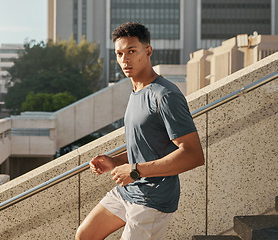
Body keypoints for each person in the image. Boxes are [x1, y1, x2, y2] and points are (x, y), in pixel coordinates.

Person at [75, 22, 205, 240]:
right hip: (129, 190)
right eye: (119, 53)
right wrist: (115, 162)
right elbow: (149, 144)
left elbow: (193, 155)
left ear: (148, 51)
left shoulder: (165, 95)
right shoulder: (137, 91)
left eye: (132, 51)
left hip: (152, 199)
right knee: (85, 235)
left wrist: (134, 170)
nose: (125, 60)